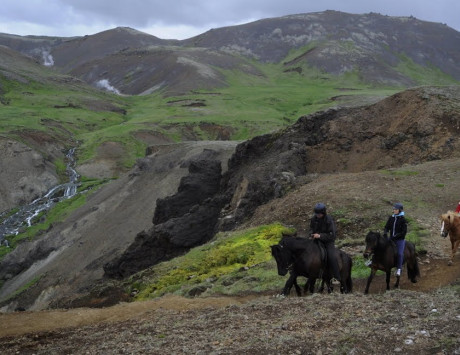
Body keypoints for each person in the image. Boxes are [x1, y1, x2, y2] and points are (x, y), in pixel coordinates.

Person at [309, 202, 341, 282]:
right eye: (317, 214)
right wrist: (311, 234)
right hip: (316, 241)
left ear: (323, 213)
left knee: (331, 256)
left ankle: (336, 277)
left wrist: (320, 236)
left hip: (328, 242)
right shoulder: (313, 219)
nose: (318, 215)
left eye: (319, 214)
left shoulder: (329, 219)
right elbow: (311, 229)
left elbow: (332, 235)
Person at [383, 202, 407, 277]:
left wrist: (395, 236)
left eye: (395, 209)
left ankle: (399, 269)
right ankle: (372, 261)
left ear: (399, 210)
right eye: (394, 209)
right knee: (380, 247)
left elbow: (403, 232)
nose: (394, 210)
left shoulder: (403, 220)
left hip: (400, 240)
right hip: (391, 238)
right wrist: (385, 232)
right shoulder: (391, 218)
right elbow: (386, 226)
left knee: (400, 253)